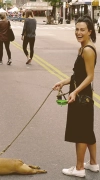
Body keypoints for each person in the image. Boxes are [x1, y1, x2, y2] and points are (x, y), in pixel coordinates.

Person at [53, 15, 99, 178]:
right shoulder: (83, 47)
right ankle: (93, 163)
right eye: (77, 29)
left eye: (82, 30)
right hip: (82, 95)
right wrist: (64, 82)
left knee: (80, 132)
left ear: (90, 31)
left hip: (81, 97)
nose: (78, 32)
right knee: (87, 131)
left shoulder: (87, 50)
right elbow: (78, 75)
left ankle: (79, 168)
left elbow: (90, 76)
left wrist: (74, 92)